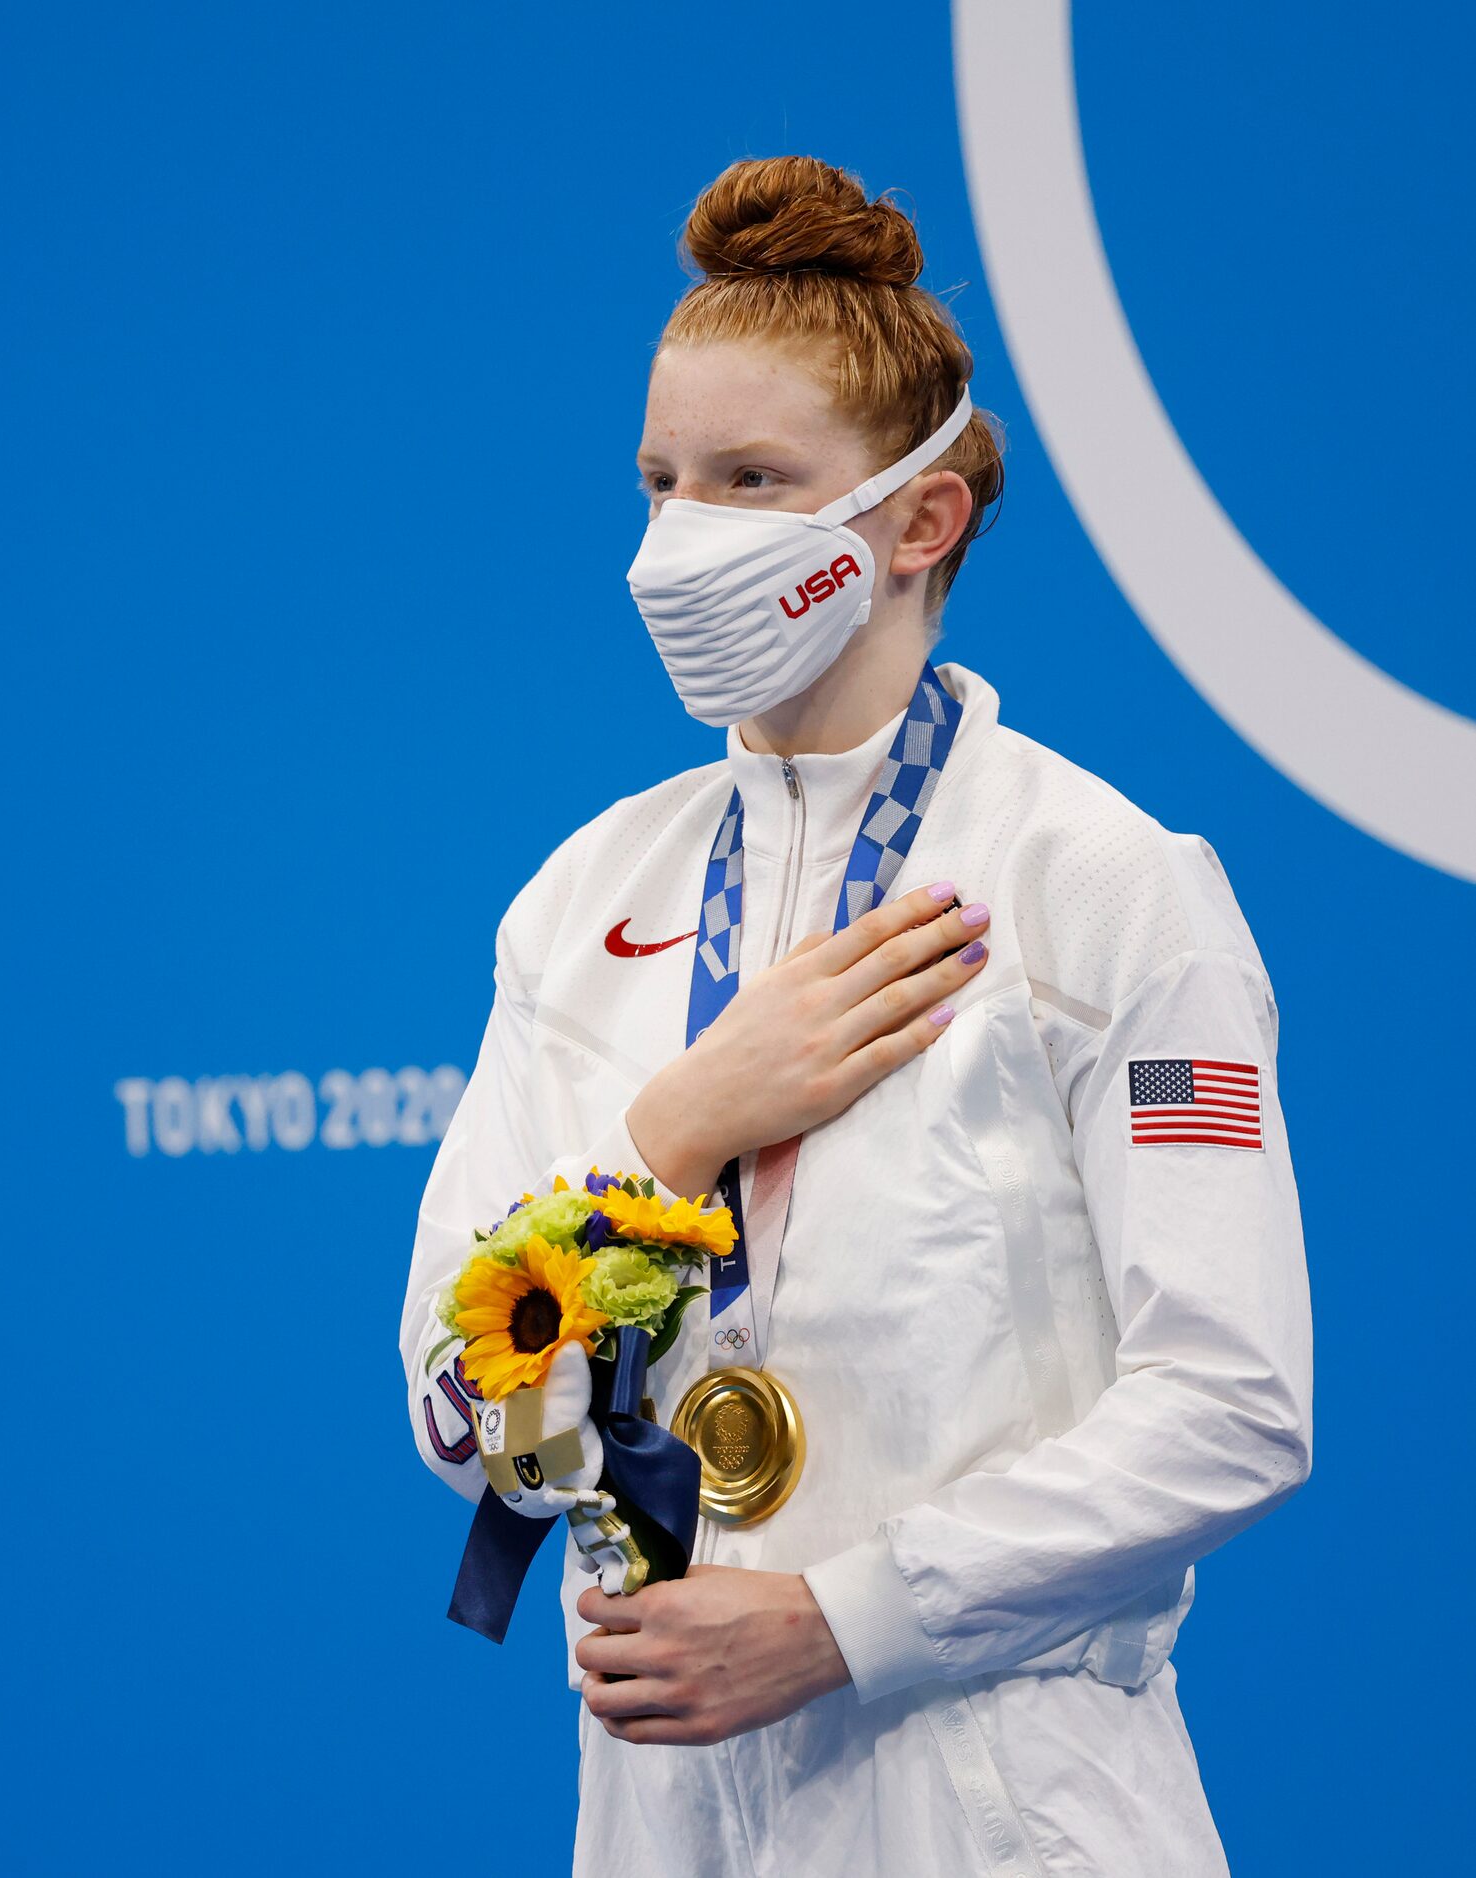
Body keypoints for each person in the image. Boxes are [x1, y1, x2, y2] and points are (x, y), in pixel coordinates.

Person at [397, 155, 1312, 1877]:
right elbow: (457, 1405)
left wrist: (849, 1616)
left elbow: (1231, 1398)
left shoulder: (1101, 881)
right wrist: (677, 1126)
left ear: (916, 519)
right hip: (667, 1804)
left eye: (753, 480)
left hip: (1001, 1793)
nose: (683, 540)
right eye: (663, 481)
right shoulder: (582, 898)